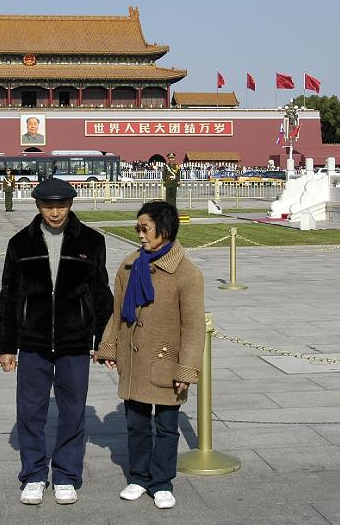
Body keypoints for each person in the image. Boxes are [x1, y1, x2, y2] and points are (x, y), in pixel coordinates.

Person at [0, 177, 114, 506]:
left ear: (71, 205)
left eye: (61, 205)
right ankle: (34, 474)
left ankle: (65, 474)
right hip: (33, 342)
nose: (55, 212)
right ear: (37, 205)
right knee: (30, 411)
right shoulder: (20, 243)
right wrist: (6, 346)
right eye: (48, 205)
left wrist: (105, 341)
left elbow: (101, 294)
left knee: (73, 412)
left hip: (74, 342)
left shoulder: (91, 241)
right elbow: (8, 297)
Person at [96, 200, 204, 510]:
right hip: (133, 361)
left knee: (167, 426)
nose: (140, 235)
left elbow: (194, 327)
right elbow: (117, 313)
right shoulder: (129, 265)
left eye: (146, 228)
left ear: (165, 230)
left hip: (166, 363)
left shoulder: (187, 273)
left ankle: (162, 482)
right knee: (137, 425)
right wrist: (109, 346)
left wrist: (187, 369)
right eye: (137, 228)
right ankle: (139, 477)